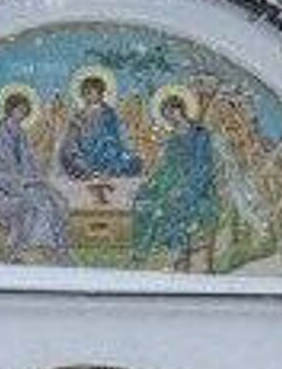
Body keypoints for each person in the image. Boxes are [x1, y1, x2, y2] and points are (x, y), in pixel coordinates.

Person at [131, 89, 219, 269]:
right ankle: (145, 249)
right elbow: (166, 164)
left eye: (172, 111)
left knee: (169, 205)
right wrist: (151, 180)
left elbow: (203, 166)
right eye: (166, 114)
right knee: (143, 199)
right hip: (170, 180)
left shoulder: (200, 134)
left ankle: (176, 251)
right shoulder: (172, 138)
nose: (170, 117)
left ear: (181, 109)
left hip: (196, 185)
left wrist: (185, 187)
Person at [0, 89, 71, 262]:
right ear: (10, 109)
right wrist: (23, 182)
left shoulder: (20, 133)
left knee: (57, 200)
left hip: (23, 185)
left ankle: (52, 249)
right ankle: (34, 248)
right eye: (19, 110)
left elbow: (29, 163)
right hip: (1, 191)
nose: (22, 114)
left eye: (25, 111)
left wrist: (36, 179)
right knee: (39, 204)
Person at [58, 72, 143, 183]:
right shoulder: (78, 117)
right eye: (87, 93)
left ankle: (105, 172)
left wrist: (128, 150)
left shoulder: (110, 114)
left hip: (109, 155)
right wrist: (74, 152)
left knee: (134, 162)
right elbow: (71, 140)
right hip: (85, 155)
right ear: (82, 95)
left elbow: (122, 135)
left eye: (95, 92)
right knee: (67, 157)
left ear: (102, 94)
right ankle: (88, 171)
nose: (91, 96)